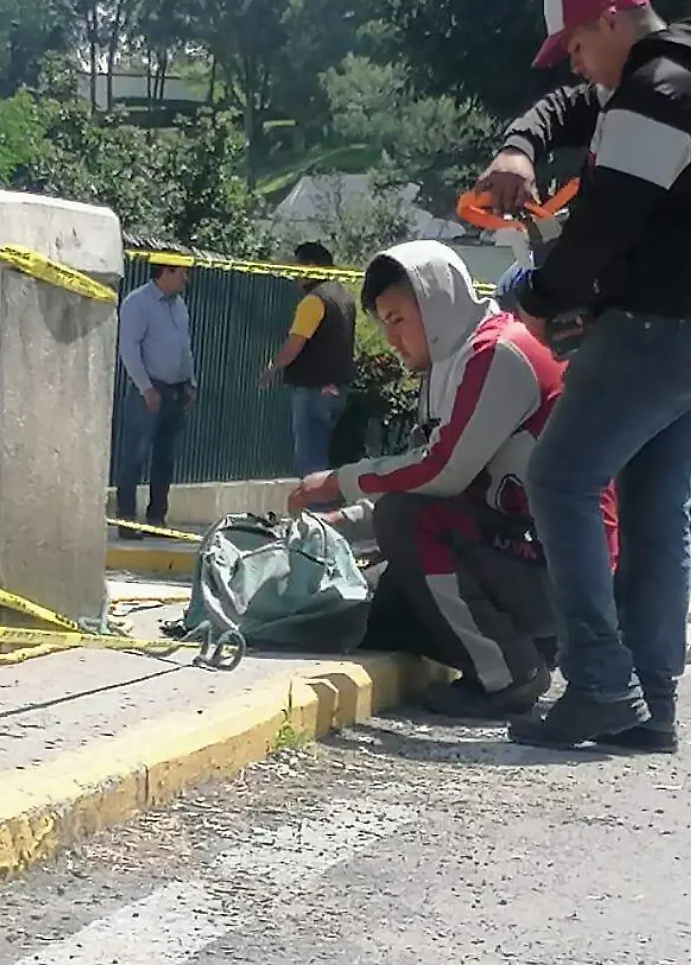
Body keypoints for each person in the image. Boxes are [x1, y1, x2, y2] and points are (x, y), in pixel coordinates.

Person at [477, 0, 691, 751]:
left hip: (657, 331)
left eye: (574, 43)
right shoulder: (668, 76)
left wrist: (539, 293)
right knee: (658, 512)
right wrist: (522, 146)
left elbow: (598, 232)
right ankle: (650, 701)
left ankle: (600, 681)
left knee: (559, 478)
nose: (570, 61)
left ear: (612, 22)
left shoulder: (656, 98)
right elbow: (569, 104)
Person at [288, 241, 619, 720]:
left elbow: (443, 471)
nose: (390, 337)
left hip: (562, 570)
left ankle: (509, 675)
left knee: (408, 524)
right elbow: (445, 479)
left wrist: (338, 482)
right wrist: (345, 521)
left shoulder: (498, 353)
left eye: (398, 319)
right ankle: (513, 649)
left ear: (435, 301)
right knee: (378, 611)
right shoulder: (451, 362)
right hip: (519, 549)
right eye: (382, 323)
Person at [259, 241, 356, 476]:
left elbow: (295, 344)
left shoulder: (314, 301)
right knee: (327, 457)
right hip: (337, 388)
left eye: (297, 267)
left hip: (314, 389)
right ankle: (326, 508)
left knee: (310, 461)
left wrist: (273, 368)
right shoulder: (345, 297)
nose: (294, 274)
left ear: (311, 267)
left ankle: (314, 510)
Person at [114, 262, 196, 537]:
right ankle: (127, 521)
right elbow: (129, 348)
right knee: (135, 457)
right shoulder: (138, 303)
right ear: (165, 271)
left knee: (166, 458)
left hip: (176, 391)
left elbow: (184, 346)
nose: (186, 277)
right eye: (181, 271)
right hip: (148, 391)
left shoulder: (178, 304)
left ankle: (157, 519)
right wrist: (146, 388)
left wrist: (190, 383)